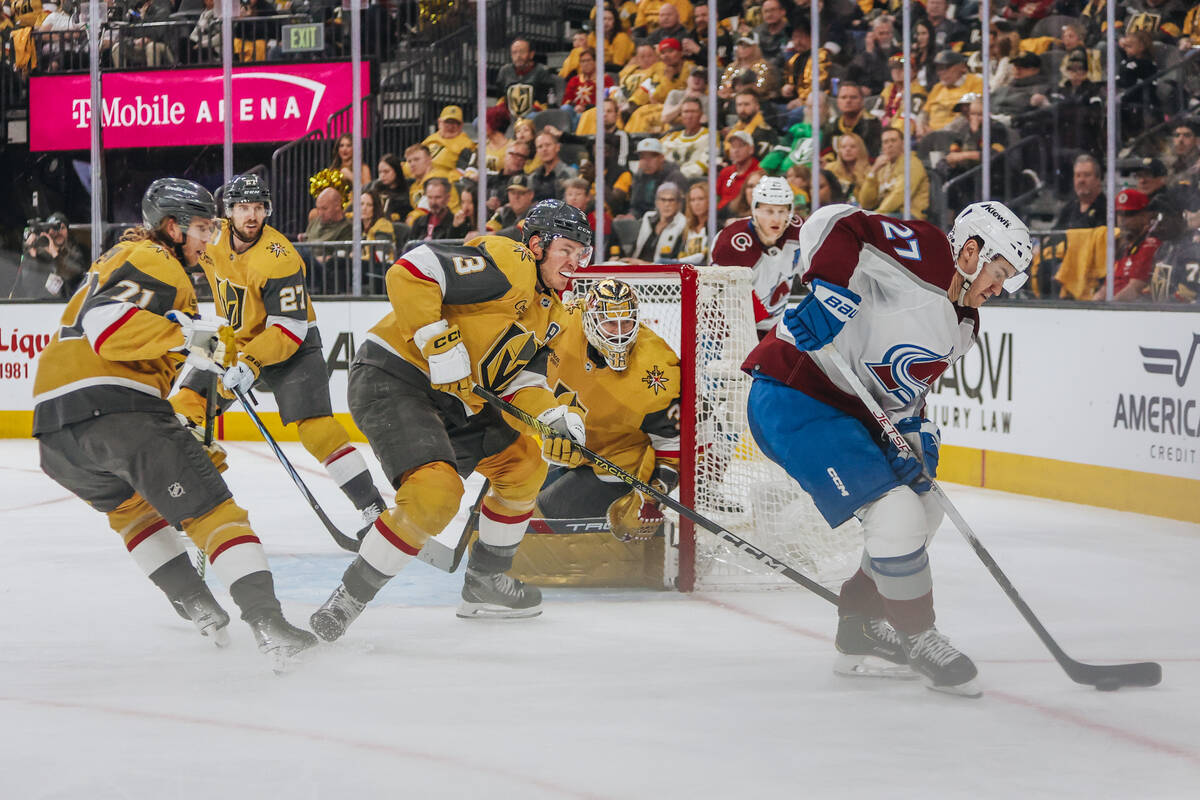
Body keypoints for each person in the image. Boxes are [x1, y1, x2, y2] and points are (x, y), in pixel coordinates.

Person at [742, 200, 1034, 696]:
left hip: (850, 412)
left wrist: (913, 434)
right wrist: (829, 288)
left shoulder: (964, 326)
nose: (999, 288)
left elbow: (903, 390)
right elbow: (836, 221)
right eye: (1000, 272)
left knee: (924, 507)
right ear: (970, 250)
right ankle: (918, 635)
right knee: (896, 513)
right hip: (795, 391)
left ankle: (860, 627)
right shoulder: (926, 255)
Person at [32, 178, 317, 667]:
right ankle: (270, 625)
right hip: (117, 412)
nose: (209, 240)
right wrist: (187, 334)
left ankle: (197, 604)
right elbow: (108, 327)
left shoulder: (116, 259)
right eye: (203, 228)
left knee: (134, 515)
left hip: (56, 433)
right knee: (216, 513)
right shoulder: (155, 261)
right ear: (172, 227)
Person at [309, 200, 594, 638]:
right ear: (537, 245)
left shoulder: (556, 312)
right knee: (435, 495)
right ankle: (347, 599)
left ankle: (484, 584)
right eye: (567, 250)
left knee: (525, 467)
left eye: (583, 253)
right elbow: (412, 270)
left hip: (462, 400)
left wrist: (552, 418)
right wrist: (435, 340)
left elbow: (524, 384)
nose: (576, 262)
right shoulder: (509, 260)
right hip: (397, 376)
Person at [173, 173, 387, 529]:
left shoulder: (279, 257)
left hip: (292, 345)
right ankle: (190, 504)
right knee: (182, 412)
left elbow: (289, 327)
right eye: (244, 208)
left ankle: (374, 508)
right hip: (235, 340)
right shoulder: (210, 238)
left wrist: (252, 362)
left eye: (258, 207)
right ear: (229, 211)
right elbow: (177, 263)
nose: (252, 216)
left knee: (317, 430)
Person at [538, 279, 680, 540]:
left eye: (626, 322)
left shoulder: (656, 370)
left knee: (549, 506)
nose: (619, 333)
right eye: (610, 323)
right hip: (582, 450)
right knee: (524, 484)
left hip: (619, 463)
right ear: (590, 320)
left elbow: (673, 445)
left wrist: (651, 495)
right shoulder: (565, 324)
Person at [710, 176, 802, 336]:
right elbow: (722, 299)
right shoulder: (733, 242)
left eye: (782, 211)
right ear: (755, 210)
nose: (777, 219)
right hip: (730, 332)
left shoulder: (798, 232)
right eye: (769, 211)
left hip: (778, 329)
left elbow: (809, 278)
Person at [1094, 188, 1162, 302]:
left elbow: (1134, 290)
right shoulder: (1124, 245)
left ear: (1145, 216)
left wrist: (1108, 310)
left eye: (1129, 214)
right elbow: (1105, 289)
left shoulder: (1149, 245)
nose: (1123, 220)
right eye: (1120, 213)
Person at [9, 211, 86, 300]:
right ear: (47, 232)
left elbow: (74, 276)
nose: (58, 232)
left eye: (62, 228)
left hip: (67, 305)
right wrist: (32, 256)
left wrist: (55, 254)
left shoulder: (75, 254)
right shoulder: (40, 256)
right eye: (54, 229)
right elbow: (27, 286)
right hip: (42, 306)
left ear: (67, 231)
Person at [869, 127, 929, 219]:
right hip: (888, 214)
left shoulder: (911, 163)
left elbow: (900, 194)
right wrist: (872, 172)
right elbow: (867, 202)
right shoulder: (882, 167)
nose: (890, 145)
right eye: (886, 142)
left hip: (909, 217)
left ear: (902, 143)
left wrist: (875, 215)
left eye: (893, 140)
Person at [626, 181, 687, 262]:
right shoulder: (647, 218)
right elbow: (635, 248)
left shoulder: (683, 224)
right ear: (656, 202)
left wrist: (645, 264)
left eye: (671, 200)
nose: (667, 204)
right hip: (635, 266)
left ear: (679, 203)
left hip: (661, 270)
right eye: (663, 200)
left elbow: (676, 260)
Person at [627, 137, 686, 218]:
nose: (646, 162)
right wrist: (631, 215)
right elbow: (635, 206)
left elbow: (677, 209)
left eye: (651, 157)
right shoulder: (639, 175)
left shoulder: (675, 177)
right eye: (642, 157)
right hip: (643, 220)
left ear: (661, 158)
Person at [498, 38, 557, 116]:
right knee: (479, 121)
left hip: (535, 113)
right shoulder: (505, 71)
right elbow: (501, 98)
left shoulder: (542, 71)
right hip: (509, 114)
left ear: (531, 54)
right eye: (514, 53)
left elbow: (546, 101)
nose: (518, 56)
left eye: (522, 52)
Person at [659, 96, 711, 178]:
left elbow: (703, 165)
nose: (689, 116)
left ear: (701, 114)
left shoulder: (710, 136)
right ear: (681, 115)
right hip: (666, 180)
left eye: (693, 111)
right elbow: (658, 159)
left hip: (693, 182)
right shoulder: (671, 136)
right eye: (686, 112)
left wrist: (676, 175)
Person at [409, 177, 470, 242]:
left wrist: (454, 228)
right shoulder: (419, 222)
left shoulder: (456, 223)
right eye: (430, 197)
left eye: (438, 197)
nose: (433, 202)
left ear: (448, 198)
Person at [422, 105, 476, 179]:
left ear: (461, 126)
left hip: (443, 182)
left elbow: (463, 171)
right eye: (447, 122)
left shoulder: (468, 145)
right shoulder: (430, 139)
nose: (451, 126)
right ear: (439, 122)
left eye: (455, 123)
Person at [716, 130, 760, 212]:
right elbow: (716, 197)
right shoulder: (726, 172)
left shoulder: (758, 173)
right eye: (733, 146)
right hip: (720, 216)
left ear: (751, 149)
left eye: (740, 146)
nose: (736, 150)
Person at [530, 131, 578, 202]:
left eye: (548, 145)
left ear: (557, 147)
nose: (544, 149)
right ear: (537, 152)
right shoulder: (533, 177)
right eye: (540, 147)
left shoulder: (570, 173)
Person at [486, 174, 537, 239]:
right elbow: (489, 228)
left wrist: (494, 235)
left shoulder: (537, 211)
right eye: (513, 193)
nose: (516, 197)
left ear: (531, 195)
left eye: (521, 193)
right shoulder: (504, 211)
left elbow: (519, 232)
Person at [369, 153, 413, 224]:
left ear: (396, 171)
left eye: (386, 172)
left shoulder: (408, 188)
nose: (382, 175)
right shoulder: (377, 188)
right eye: (380, 172)